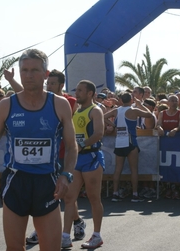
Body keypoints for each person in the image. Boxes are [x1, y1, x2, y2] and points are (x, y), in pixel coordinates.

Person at [0, 49, 78, 251]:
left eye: (34, 70)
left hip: (47, 182)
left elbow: (72, 145)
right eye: (24, 70)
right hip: (16, 181)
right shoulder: (6, 105)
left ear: (46, 74)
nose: (29, 75)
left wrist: (66, 175)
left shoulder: (59, 104)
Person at [61, 80, 105, 249]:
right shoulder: (75, 110)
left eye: (80, 90)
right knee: (69, 197)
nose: (76, 93)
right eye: (76, 90)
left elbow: (99, 133)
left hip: (91, 157)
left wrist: (82, 144)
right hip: (76, 159)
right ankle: (65, 236)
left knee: (94, 198)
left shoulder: (96, 111)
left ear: (90, 93)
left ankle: (97, 235)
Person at [104, 92, 154, 202]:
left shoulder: (116, 110)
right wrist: (140, 104)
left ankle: (115, 193)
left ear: (121, 100)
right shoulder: (133, 110)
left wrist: (113, 125)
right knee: (134, 170)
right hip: (131, 142)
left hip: (119, 142)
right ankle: (135, 194)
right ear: (131, 100)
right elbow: (150, 114)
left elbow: (103, 117)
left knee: (117, 169)